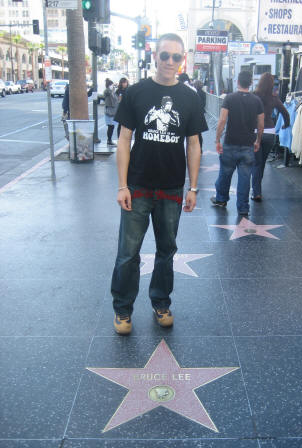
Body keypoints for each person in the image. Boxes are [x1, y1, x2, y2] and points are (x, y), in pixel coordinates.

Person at [111, 33, 208, 335]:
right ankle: (123, 310)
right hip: (138, 186)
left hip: (171, 188)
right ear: (155, 56)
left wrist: (193, 187)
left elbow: (194, 144)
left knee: (167, 250)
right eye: (165, 55)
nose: (169, 62)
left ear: (182, 61)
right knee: (128, 252)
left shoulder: (191, 97)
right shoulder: (137, 93)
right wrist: (122, 185)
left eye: (176, 57)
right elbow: (124, 139)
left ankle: (160, 303)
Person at [211, 71, 264, 215]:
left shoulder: (229, 98)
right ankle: (243, 207)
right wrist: (258, 140)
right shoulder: (257, 101)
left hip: (230, 142)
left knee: (225, 173)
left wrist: (217, 140)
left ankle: (221, 199)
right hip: (248, 144)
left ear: (237, 82)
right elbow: (261, 124)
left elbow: (222, 120)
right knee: (245, 178)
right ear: (251, 83)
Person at [251, 72, 290, 201]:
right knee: (261, 163)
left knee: (256, 163)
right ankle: (258, 188)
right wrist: (286, 125)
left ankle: (256, 191)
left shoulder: (254, 96)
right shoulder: (274, 98)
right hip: (270, 133)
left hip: (256, 132)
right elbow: (285, 113)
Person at [103, 78, 118, 146]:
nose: (113, 86)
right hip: (109, 112)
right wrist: (111, 88)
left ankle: (109, 140)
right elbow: (107, 92)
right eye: (111, 85)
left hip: (113, 112)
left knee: (112, 126)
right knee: (110, 126)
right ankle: (109, 140)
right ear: (109, 85)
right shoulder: (107, 91)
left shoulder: (112, 91)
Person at [194, 80, 206, 151]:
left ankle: (198, 148)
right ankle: (200, 148)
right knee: (199, 133)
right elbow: (204, 104)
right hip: (201, 113)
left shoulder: (195, 93)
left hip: (196, 114)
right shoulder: (203, 93)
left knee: (195, 132)